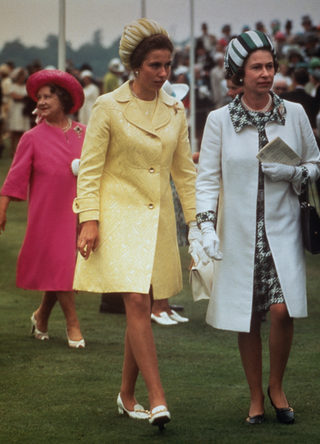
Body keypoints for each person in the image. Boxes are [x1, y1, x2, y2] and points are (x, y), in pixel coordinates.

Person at [72, 18, 200, 429]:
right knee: (139, 303)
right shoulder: (108, 105)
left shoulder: (175, 110)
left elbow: (184, 173)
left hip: (158, 221)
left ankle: (127, 395)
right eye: (155, 66)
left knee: (139, 309)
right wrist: (88, 220)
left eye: (168, 66)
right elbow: (89, 172)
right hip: (116, 216)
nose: (163, 74)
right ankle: (157, 397)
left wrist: (197, 223)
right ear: (135, 65)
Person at [196, 30, 320, 425]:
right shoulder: (219, 120)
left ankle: (277, 386)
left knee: (282, 312)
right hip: (239, 233)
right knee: (247, 314)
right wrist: (205, 226)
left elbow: (315, 164)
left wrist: (294, 172)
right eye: (256, 67)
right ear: (238, 72)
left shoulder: (295, 113)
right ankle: (255, 397)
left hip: (282, 230)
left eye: (269, 66)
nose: (265, 74)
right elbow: (207, 179)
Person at [0, 70, 86, 348]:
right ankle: (73, 324)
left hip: (80, 212)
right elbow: (15, 178)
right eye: (39, 97)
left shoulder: (85, 134)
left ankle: (41, 316)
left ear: (63, 99)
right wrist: (2, 208)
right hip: (47, 213)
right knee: (61, 265)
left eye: (48, 96)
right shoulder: (31, 137)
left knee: (60, 267)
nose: (41, 101)